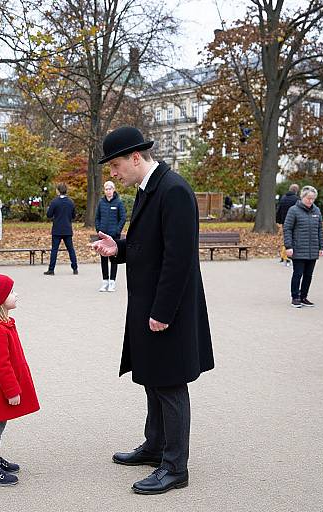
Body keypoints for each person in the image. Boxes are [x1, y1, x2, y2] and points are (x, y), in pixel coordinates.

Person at [92, 126, 214, 496]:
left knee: (169, 383)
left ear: (135, 157)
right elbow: (153, 243)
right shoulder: (151, 189)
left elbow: (179, 259)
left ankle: (175, 466)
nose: (112, 175)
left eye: (114, 166)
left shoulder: (173, 189)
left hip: (167, 309)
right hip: (149, 304)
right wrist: (121, 248)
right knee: (152, 378)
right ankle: (156, 446)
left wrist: (162, 312)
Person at [0, 273, 40, 486]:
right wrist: (12, 391)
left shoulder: (4, 324)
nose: (16, 295)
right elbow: (0, 366)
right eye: (11, 292)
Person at [283, 185, 323, 308]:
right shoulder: (293, 210)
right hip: (298, 248)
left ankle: (304, 296)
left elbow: (320, 230)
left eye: (313, 199)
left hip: (312, 250)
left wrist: (322, 247)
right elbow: (287, 229)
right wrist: (288, 246)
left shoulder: (316, 211)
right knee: (298, 274)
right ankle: (295, 297)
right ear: (302, 197)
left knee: (308, 275)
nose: (310, 201)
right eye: (308, 198)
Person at [95, 180, 126, 292]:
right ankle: (105, 281)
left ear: (114, 189)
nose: (108, 191)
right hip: (102, 236)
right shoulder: (101, 202)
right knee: (103, 258)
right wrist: (99, 229)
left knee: (114, 258)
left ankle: (112, 281)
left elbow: (123, 218)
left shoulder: (118, 202)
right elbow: (97, 217)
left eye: (110, 188)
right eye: (106, 189)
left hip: (114, 236)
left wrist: (117, 231)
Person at [43, 183, 78, 275]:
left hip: (57, 229)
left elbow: (49, 215)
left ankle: (51, 269)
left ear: (58, 191)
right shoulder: (70, 202)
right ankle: (75, 268)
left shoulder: (54, 202)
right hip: (67, 228)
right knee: (71, 249)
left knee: (54, 250)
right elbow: (74, 215)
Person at [276, 184, 300, 265]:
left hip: (284, 222)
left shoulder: (283, 198)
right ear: (296, 191)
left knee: (286, 239)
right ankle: (287, 257)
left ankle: (283, 256)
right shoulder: (297, 200)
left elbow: (279, 210)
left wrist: (279, 221)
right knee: (292, 239)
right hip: (293, 222)